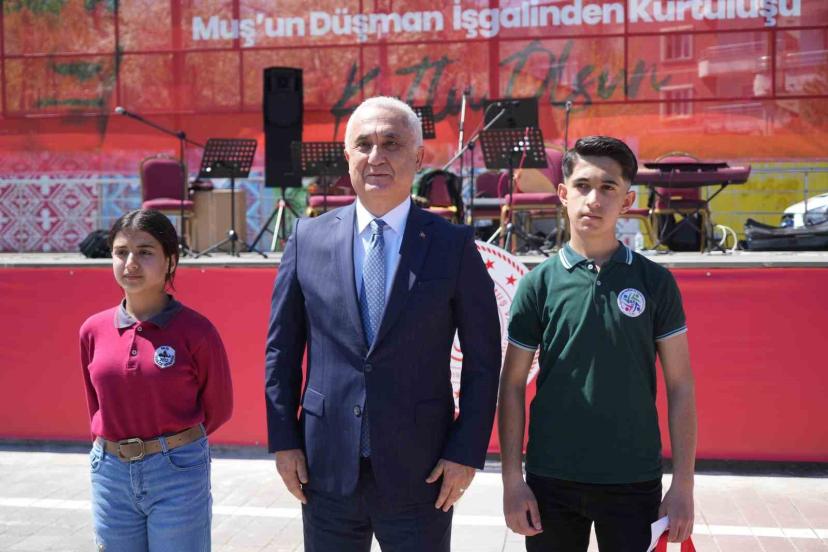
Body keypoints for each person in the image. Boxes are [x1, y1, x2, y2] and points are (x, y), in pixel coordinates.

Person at [265, 96, 501, 552]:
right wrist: (284, 440)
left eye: (392, 143)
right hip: (325, 469)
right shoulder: (307, 238)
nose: (377, 157)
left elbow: (484, 360)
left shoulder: (453, 245)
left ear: (418, 156)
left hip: (423, 472)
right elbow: (282, 351)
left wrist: (465, 452)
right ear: (347, 156)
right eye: (364, 144)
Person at [498, 136, 697, 551]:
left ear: (627, 201)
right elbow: (512, 385)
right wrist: (512, 481)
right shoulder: (538, 284)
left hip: (633, 479)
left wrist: (683, 486)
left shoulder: (655, 282)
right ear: (563, 193)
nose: (594, 199)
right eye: (583, 185)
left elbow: (680, 385)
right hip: (551, 478)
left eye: (608, 187)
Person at [79, 209, 233, 552]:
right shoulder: (92, 330)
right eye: (121, 252)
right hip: (110, 473)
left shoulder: (197, 331)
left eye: (145, 252)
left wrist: (172, 444)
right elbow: (95, 405)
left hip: (177, 471)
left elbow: (219, 408)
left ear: (170, 261)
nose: (131, 263)